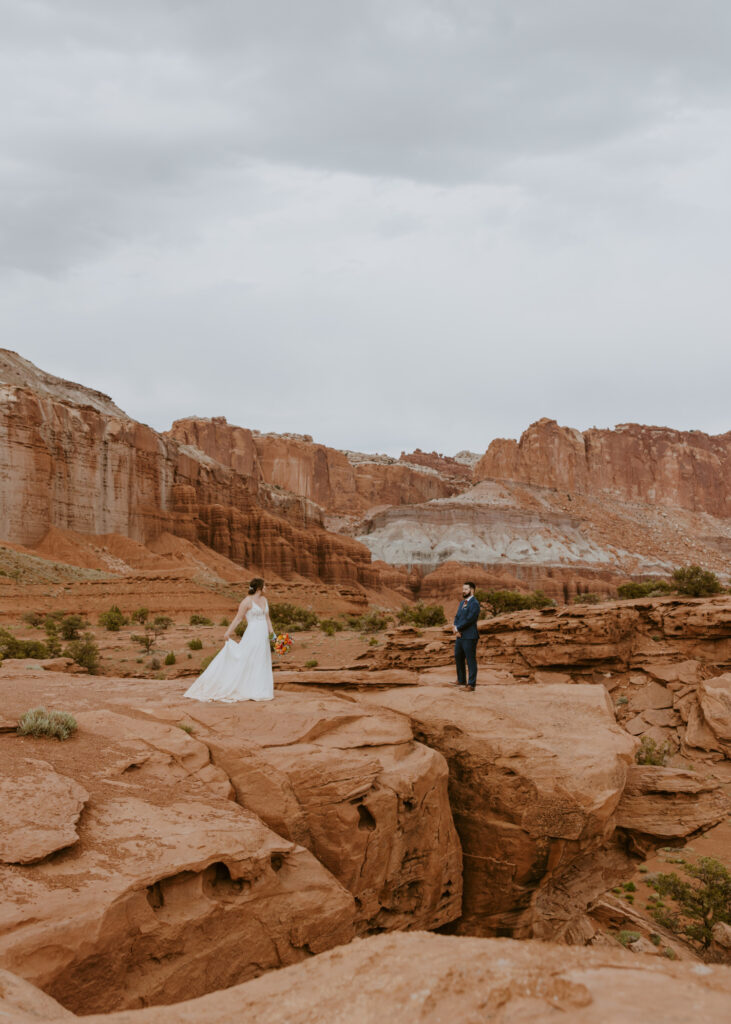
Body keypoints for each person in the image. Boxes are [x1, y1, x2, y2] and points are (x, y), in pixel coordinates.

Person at [183, 578, 275, 702]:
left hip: (263, 634)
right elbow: (238, 619)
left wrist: (272, 633)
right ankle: (248, 688)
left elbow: (267, 618)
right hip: (253, 634)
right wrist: (228, 632)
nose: (266, 587)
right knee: (249, 658)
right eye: (265, 585)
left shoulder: (264, 600)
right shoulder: (246, 602)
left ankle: (260, 689)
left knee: (261, 659)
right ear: (259, 587)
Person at [453, 581, 481, 691]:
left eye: (466, 589)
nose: (463, 591)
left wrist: (458, 628)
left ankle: (471, 684)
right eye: (463, 589)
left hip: (470, 636)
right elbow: (457, 616)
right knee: (458, 656)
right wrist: (455, 627)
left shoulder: (474, 603)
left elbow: (470, 619)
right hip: (460, 636)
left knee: (470, 660)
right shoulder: (462, 603)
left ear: (472, 590)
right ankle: (461, 680)